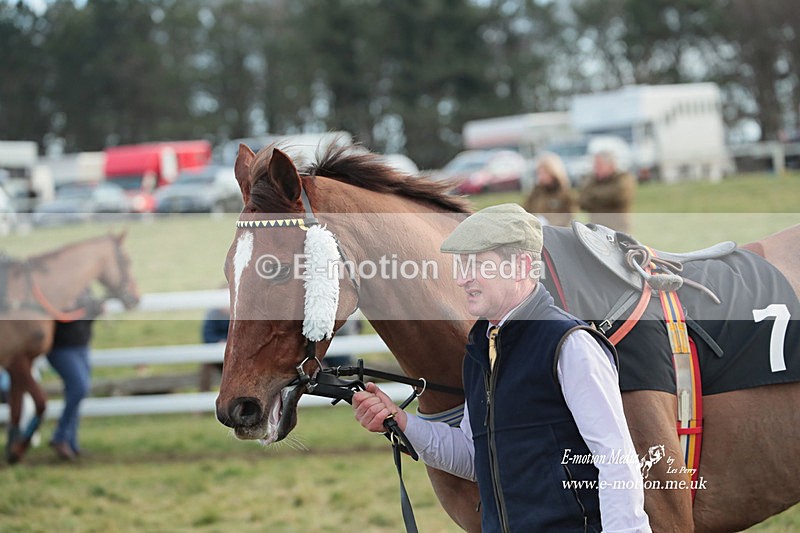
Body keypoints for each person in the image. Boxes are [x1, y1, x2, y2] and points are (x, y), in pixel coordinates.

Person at [352, 204, 650, 532]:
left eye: (477, 264)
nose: (462, 278)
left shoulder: (570, 345)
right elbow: (472, 455)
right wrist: (401, 421)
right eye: (461, 264)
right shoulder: (480, 351)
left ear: (521, 266)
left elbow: (616, 459)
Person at [47, 291, 104, 461]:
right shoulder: (59, 287)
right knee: (79, 388)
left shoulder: (85, 287)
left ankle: (71, 442)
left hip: (81, 346)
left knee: (76, 392)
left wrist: (95, 309)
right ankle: (60, 437)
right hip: (61, 348)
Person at [578, 149, 637, 233]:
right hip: (596, 230)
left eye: (599, 165)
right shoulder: (592, 181)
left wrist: (593, 197)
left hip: (618, 229)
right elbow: (582, 202)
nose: (595, 168)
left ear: (611, 165)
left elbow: (616, 196)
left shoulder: (623, 178)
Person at [523, 151, 576, 227]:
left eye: (544, 173)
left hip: (557, 233)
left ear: (553, 172)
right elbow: (526, 209)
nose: (541, 177)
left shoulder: (564, 193)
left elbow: (570, 215)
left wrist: (550, 224)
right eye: (539, 173)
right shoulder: (536, 192)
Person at [199, 306, 230, 392]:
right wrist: (218, 341)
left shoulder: (237, 314)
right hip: (215, 352)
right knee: (206, 366)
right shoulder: (213, 314)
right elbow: (207, 335)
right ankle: (203, 395)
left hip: (232, 353)